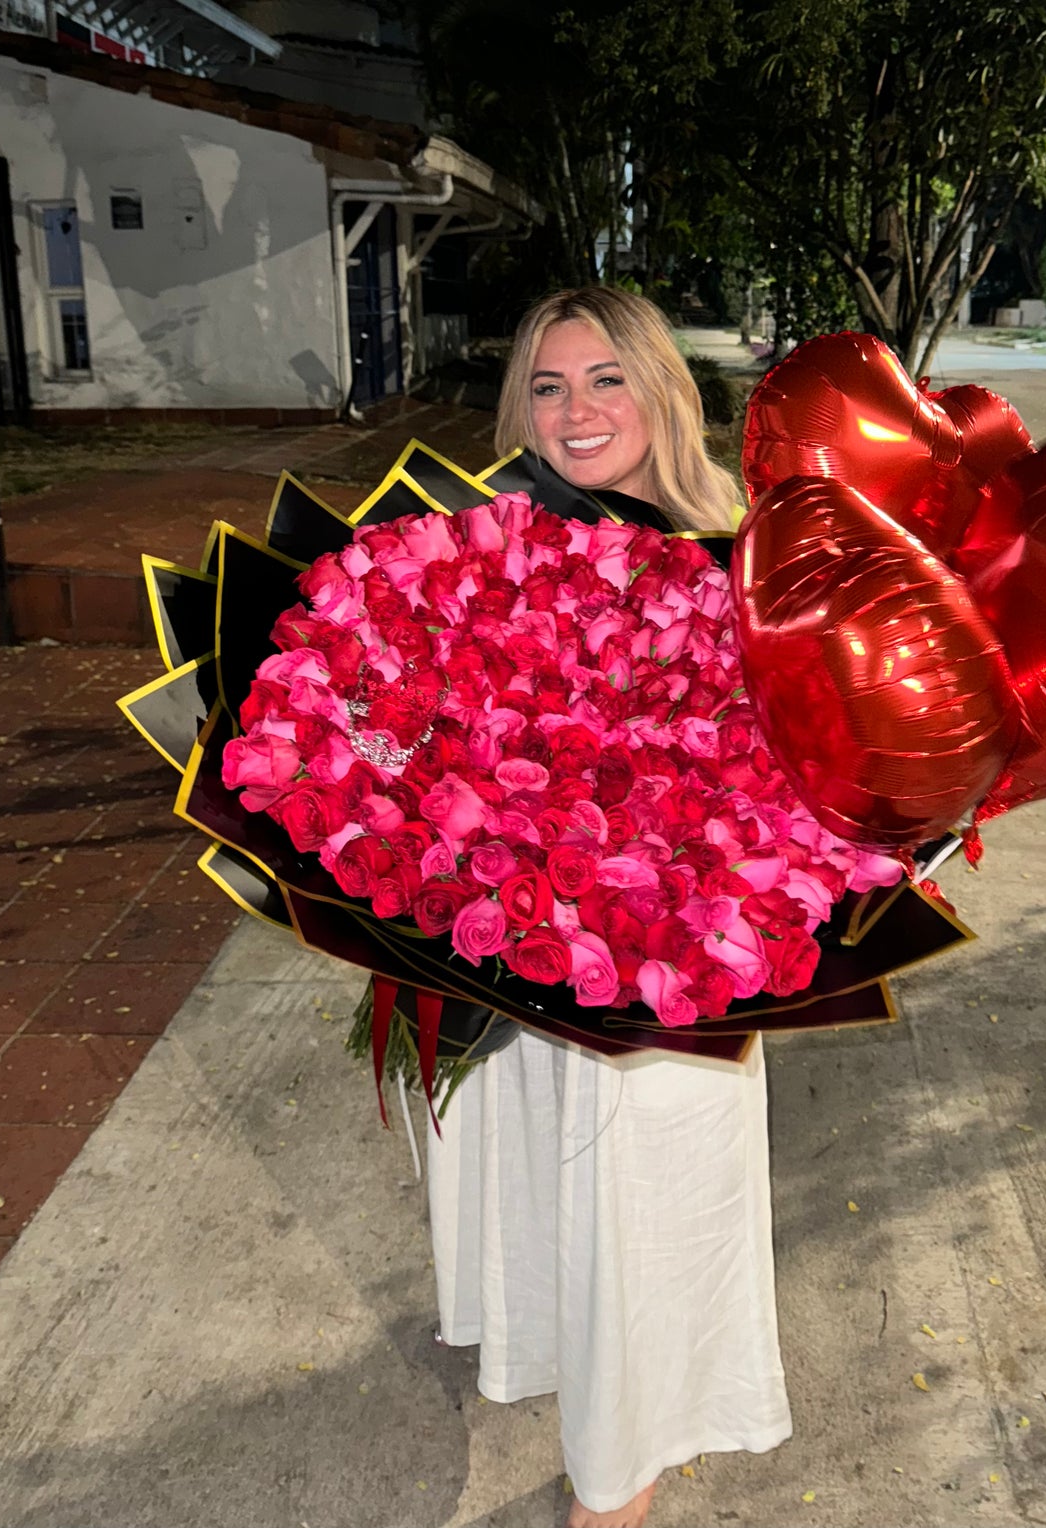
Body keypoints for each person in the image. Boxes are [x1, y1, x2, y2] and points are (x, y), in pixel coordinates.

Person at [426, 288, 792, 1528]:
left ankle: (617, 1479)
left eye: (602, 380)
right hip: (526, 947)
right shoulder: (481, 538)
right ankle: (599, 1417)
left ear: (659, 389)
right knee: (554, 1191)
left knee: (648, 1199)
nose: (574, 412)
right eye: (546, 385)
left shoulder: (741, 550)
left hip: (678, 968)